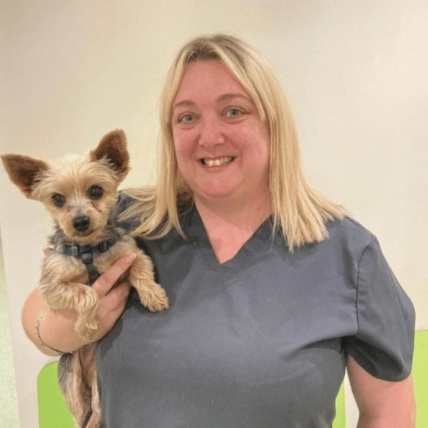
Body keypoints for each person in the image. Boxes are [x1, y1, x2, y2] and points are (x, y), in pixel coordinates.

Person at [22, 34, 416, 428]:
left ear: (273, 123)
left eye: (233, 111)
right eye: (187, 117)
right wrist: (64, 328)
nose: (209, 137)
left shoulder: (348, 254)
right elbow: (36, 317)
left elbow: (390, 411)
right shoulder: (120, 223)